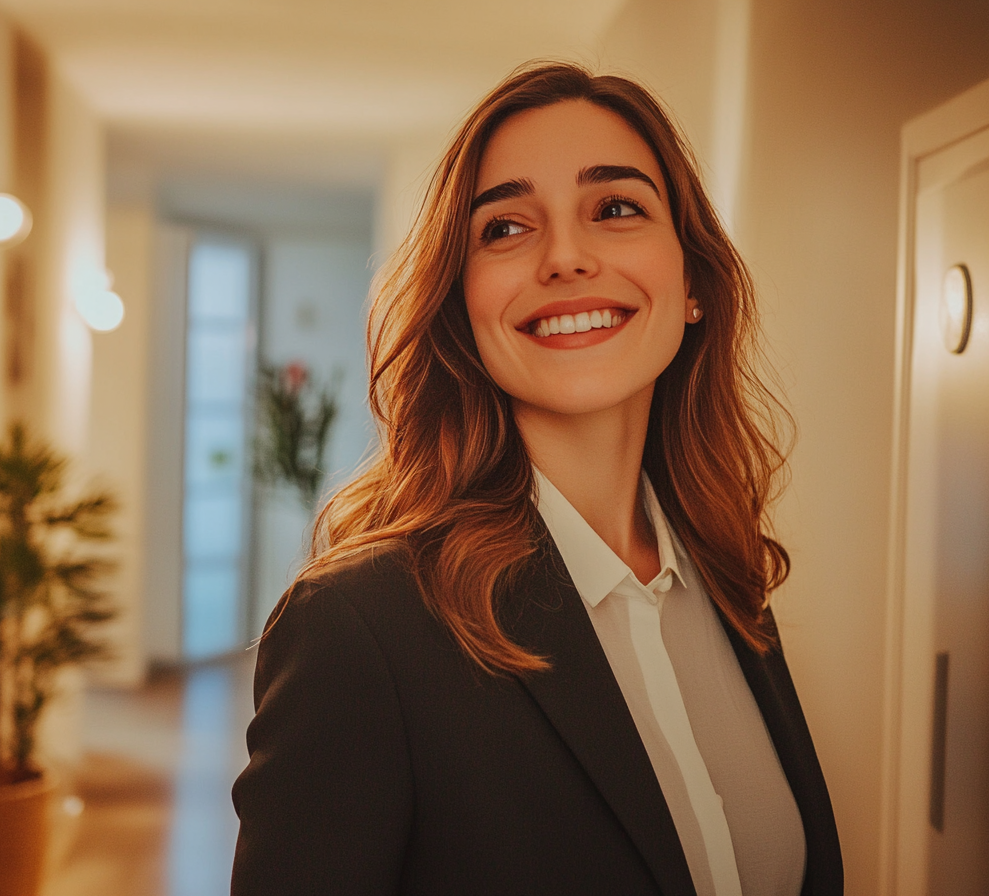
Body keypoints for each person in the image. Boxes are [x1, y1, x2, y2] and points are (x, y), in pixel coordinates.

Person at [231, 62, 842, 896]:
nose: (564, 257)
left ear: (694, 282)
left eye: (616, 208)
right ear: (462, 303)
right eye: (507, 229)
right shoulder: (357, 628)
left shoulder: (730, 580)